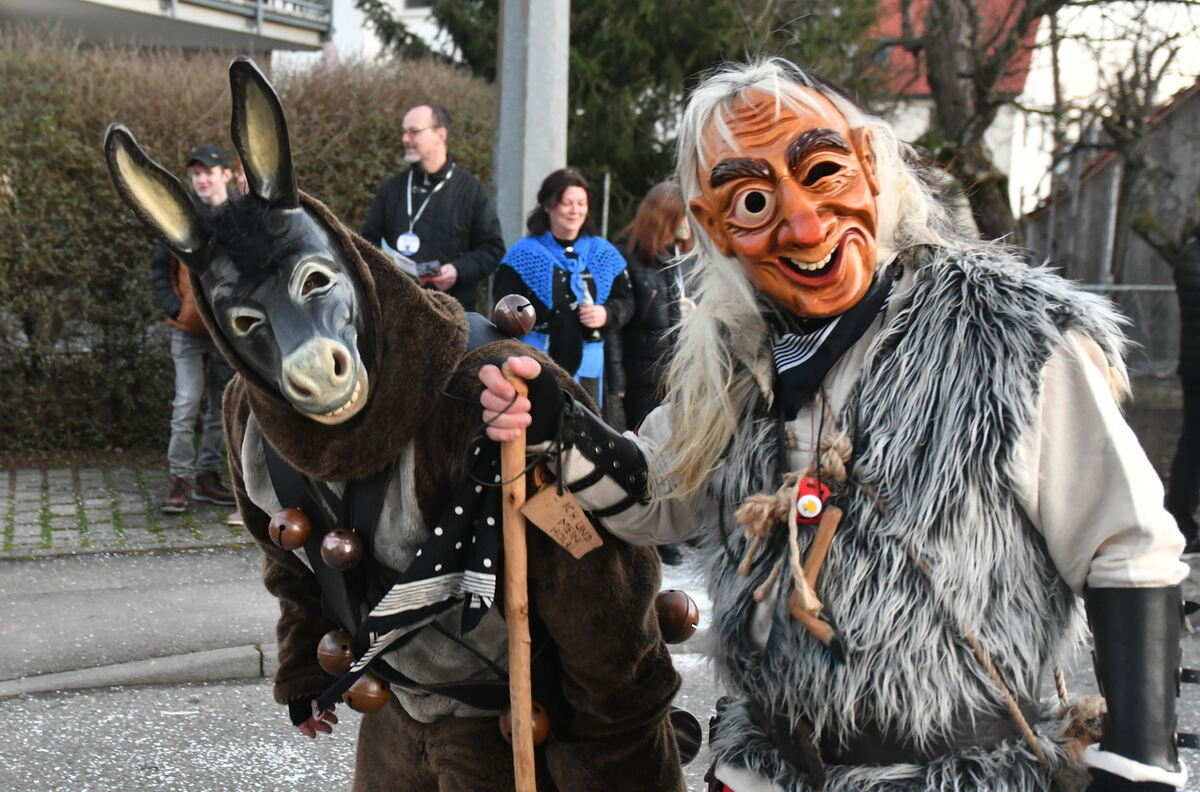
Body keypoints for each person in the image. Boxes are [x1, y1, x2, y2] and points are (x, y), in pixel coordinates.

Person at [481, 59, 1190, 792]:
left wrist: (1136, 768)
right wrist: (555, 425)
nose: (804, 223)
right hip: (768, 767)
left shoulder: (1006, 336)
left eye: (822, 172)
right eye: (753, 200)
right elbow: (658, 497)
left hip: (956, 772)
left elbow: (1127, 547)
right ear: (711, 227)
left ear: (872, 165)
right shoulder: (733, 359)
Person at [149, 144, 239, 520]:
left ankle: (207, 475)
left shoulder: (241, 218)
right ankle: (180, 479)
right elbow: (159, 270)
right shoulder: (179, 217)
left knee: (222, 407)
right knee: (186, 404)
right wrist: (176, 308)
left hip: (228, 334)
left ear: (227, 175)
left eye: (209, 172)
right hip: (187, 332)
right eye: (196, 173)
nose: (202, 179)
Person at [492, 167, 633, 407]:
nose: (575, 210)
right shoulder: (523, 254)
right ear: (548, 206)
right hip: (535, 359)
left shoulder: (603, 253)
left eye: (581, 203)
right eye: (567, 203)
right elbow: (503, 307)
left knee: (585, 430)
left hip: (591, 362)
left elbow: (626, 301)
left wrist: (607, 313)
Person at [361, 101, 505, 311]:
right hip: (395, 312)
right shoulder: (391, 189)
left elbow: (492, 249)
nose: (405, 139)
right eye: (404, 132)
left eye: (414, 132)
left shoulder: (472, 191)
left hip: (451, 314)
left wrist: (458, 270)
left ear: (440, 135)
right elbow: (368, 242)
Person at [615, 180, 696, 430]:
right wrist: (617, 384)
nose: (688, 225)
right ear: (663, 219)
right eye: (683, 218)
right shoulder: (626, 257)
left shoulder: (675, 255)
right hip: (643, 379)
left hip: (676, 374)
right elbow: (618, 327)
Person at [1167, 222, 1200, 553]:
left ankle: (1181, 519)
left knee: (1192, 444)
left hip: (1193, 364)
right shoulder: (1193, 258)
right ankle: (1180, 520)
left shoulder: (1190, 253)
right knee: (1193, 447)